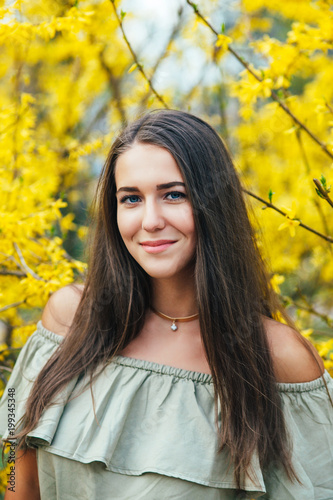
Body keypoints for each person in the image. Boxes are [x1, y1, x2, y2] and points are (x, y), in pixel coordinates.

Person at [0, 109, 332, 500]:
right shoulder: (69, 318)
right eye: (131, 199)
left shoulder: (277, 357)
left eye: (173, 194)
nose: (151, 220)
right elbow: (12, 458)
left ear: (213, 204)